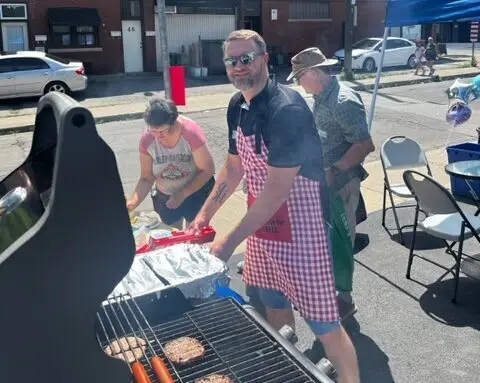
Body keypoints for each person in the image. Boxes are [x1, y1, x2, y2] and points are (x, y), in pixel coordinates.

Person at [189, 30, 360, 383]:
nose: (238, 67)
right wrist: (203, 215)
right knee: (275, 309)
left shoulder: (288, 109)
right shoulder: (238, 106)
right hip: (263, 229)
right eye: (231, 61)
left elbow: (276, 191)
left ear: (265, 59)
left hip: (302, 232)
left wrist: (225, 243)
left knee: (325, 323)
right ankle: (291, 372)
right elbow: (234, 167)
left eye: (246, 58)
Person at [288, 47, 375, 319]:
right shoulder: (321, 96)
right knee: (323, 243)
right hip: (324, 182)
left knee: (340, 243)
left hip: (341, 184)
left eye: (299, 77)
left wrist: (334, 170)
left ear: (314, 73)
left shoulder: (342, 101)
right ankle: (325, 294)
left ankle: (344, 300)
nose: (299, 84)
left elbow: (365, 144)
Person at [126, 98, 215, 229]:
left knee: (193, 235)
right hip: (165, 195)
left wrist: (183, 193)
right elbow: (146, 177)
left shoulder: (190, 133)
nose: (158, 136)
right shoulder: (147, 139)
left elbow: (207, 170)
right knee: (172, 235)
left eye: (163, 131)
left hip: (196, 191)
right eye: (153, 131)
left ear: (173, 122)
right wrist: (132, 203)